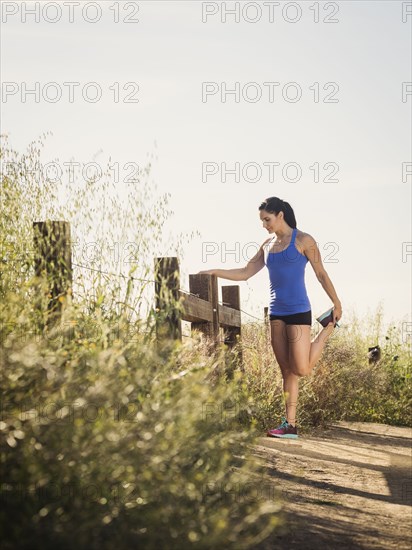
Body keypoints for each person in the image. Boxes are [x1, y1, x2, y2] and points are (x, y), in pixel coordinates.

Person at [198, 196, 342, 439]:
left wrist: (336, 302)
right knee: (287, 371)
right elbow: (245, 272)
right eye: (262, 221)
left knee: (302, 369)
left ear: (280, 215)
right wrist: (214, 271)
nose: (264, 224)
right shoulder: (267, 245)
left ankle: (327, 328)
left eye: (267, 219)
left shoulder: (304, 240)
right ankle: (290, 425)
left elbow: (321, 274)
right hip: (277, 313)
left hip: (298, 310)